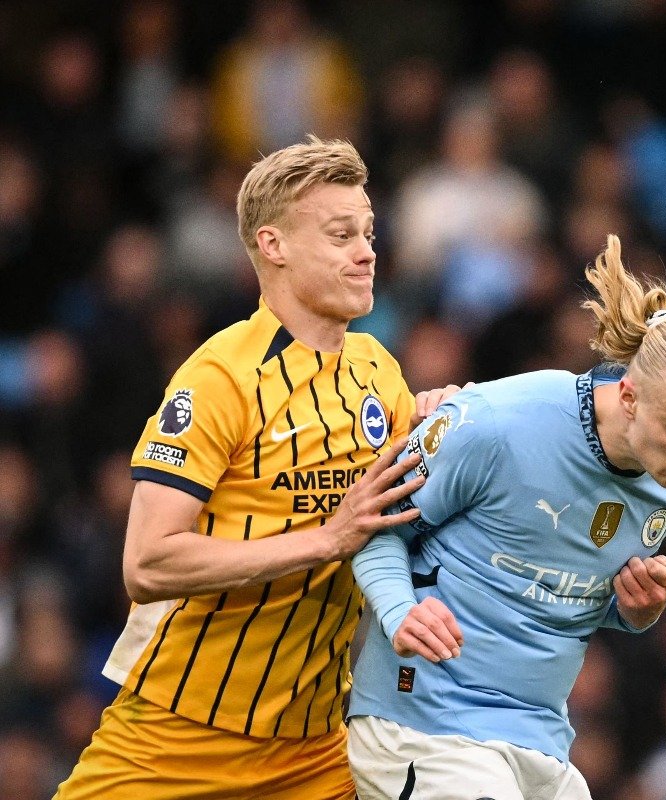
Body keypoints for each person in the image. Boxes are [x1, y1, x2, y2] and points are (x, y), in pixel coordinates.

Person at [55, 136, 458, 799]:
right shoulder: (219, 376)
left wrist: (448, 430)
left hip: (315, 748)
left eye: (368, 233)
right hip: (179, 735)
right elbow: (147, 563)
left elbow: (406, 517)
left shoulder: (378, 371)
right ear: (274, 246)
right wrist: (328, 540)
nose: (366, 252)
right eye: (340, 235)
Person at [348, 234, 666, 800]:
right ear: (627, 397)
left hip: (542, 741)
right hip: (424, 725)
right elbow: (373, 523)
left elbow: (551, 588)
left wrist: (630, 611)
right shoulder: (498, 424)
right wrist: (397, 611)